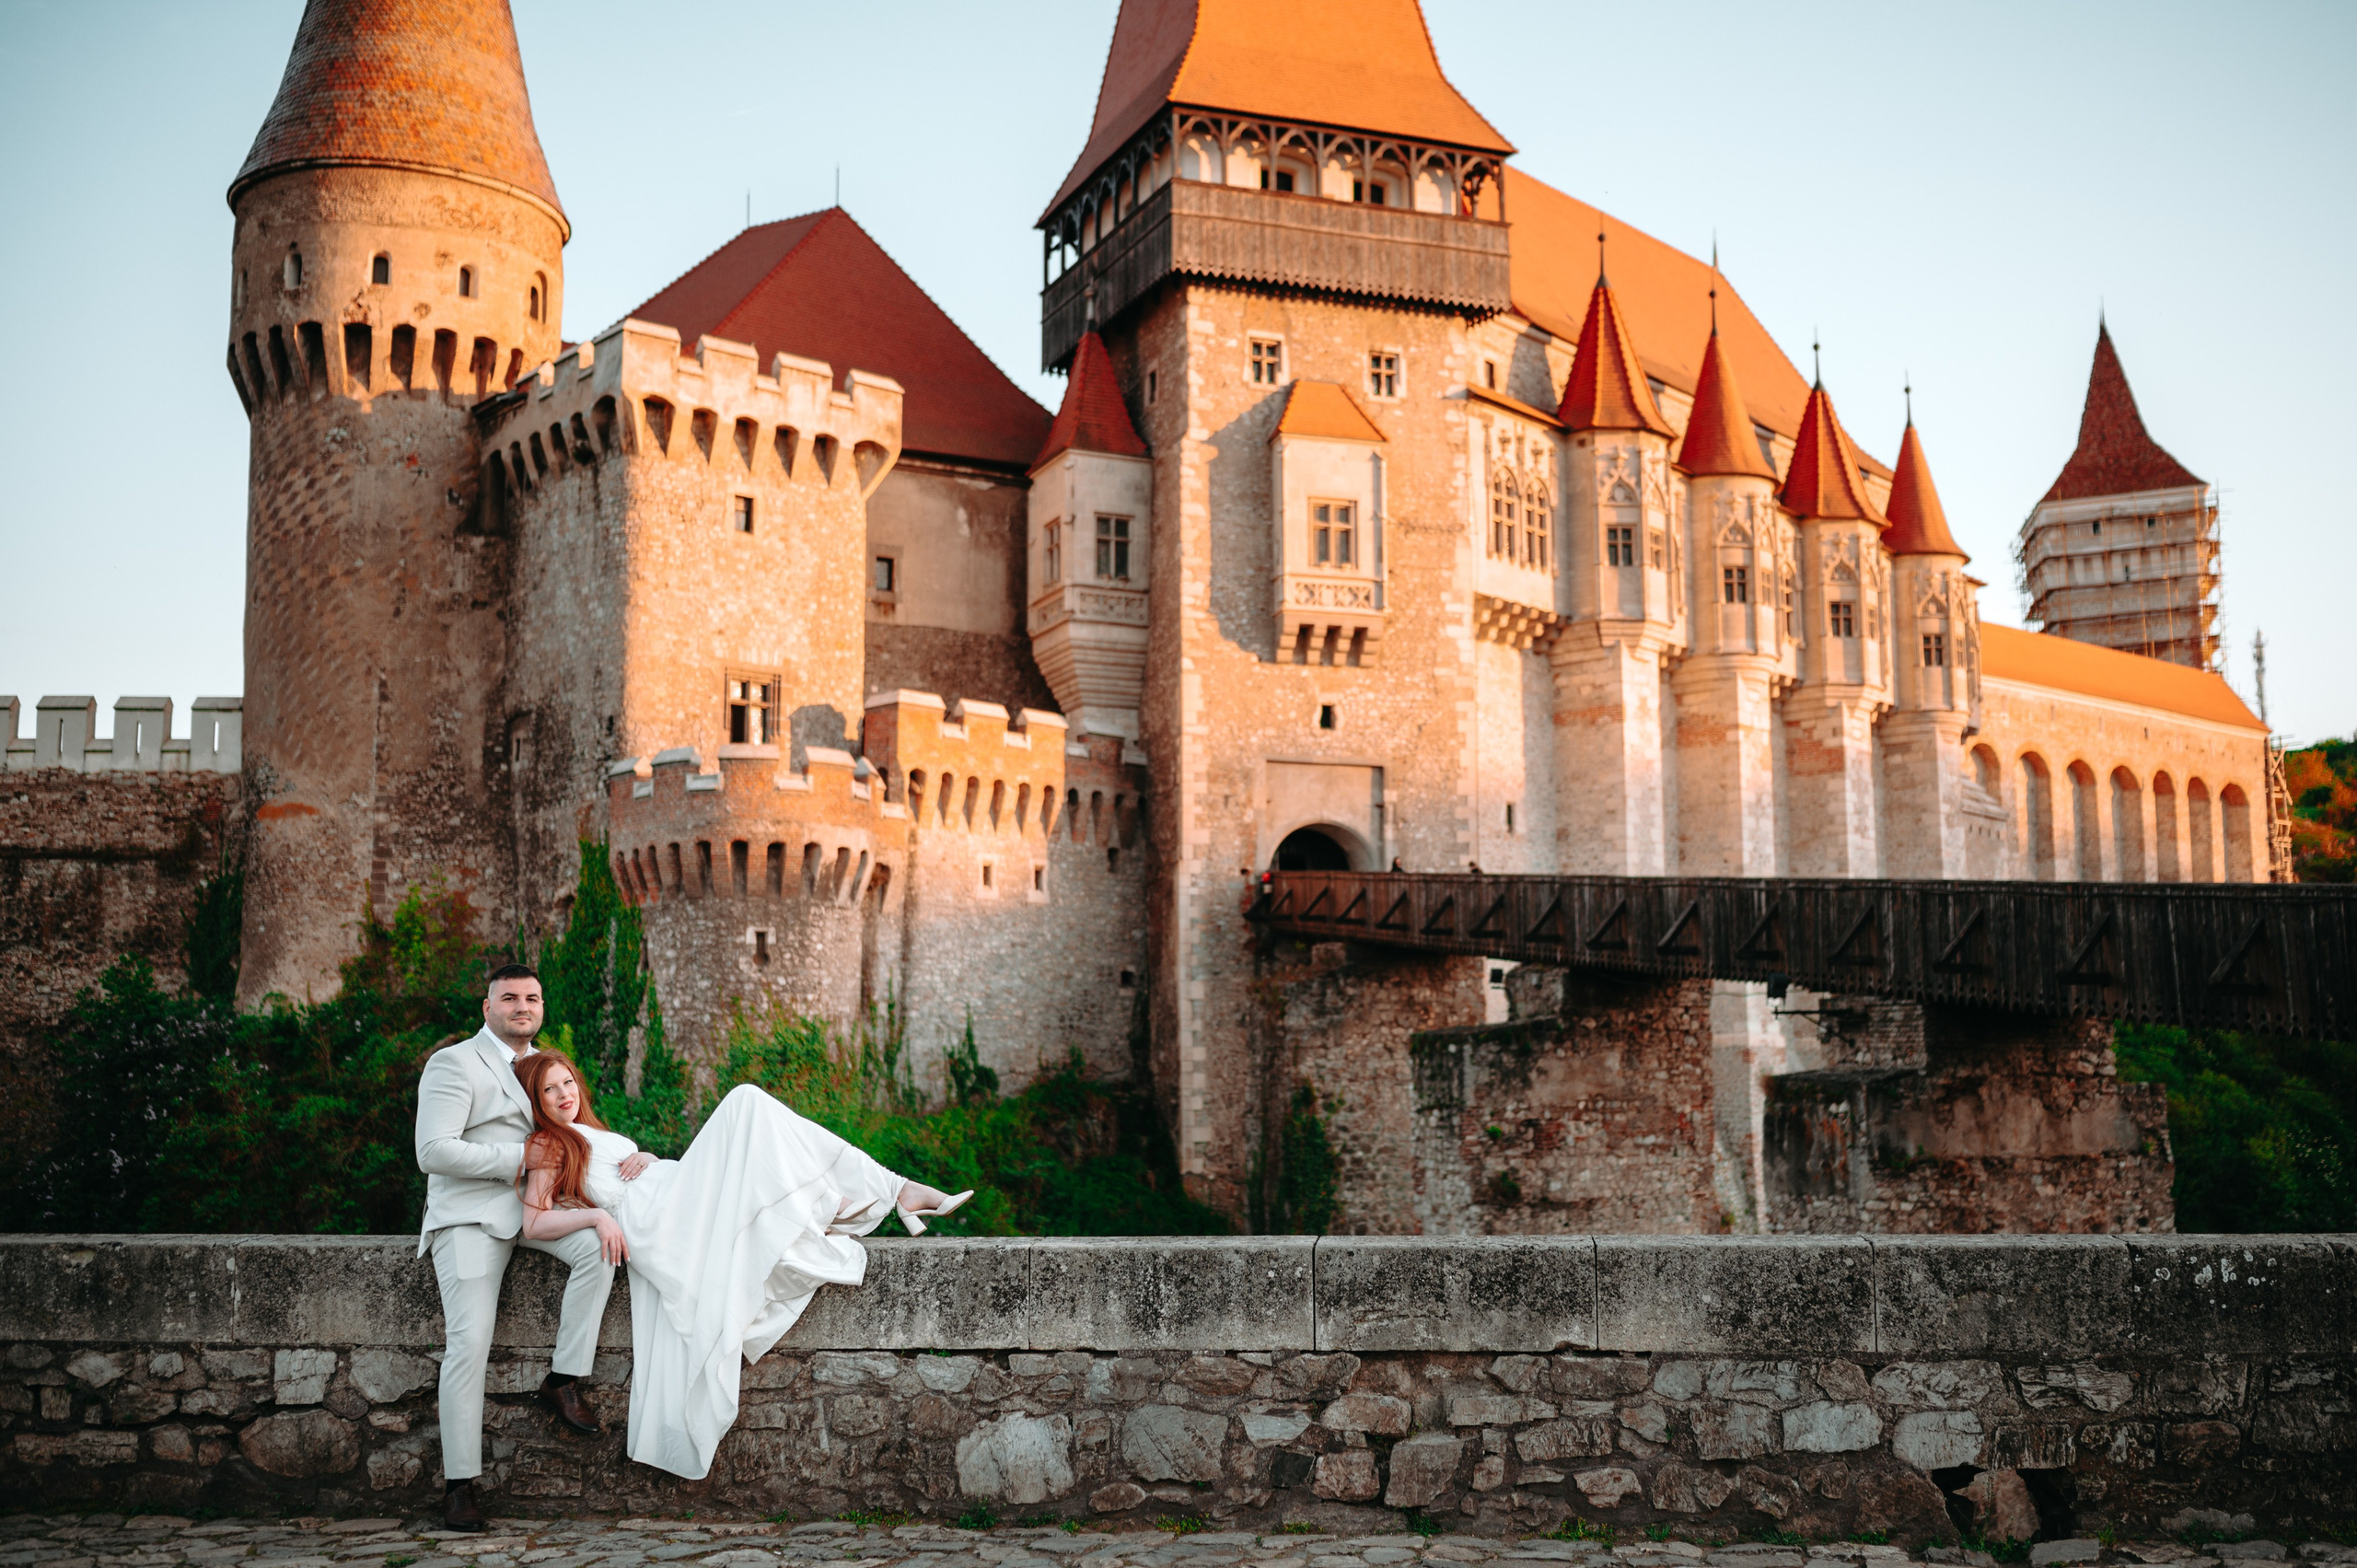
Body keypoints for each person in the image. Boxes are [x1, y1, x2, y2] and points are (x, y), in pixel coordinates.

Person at [512, 1051, 970, 1480]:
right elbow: (533, 1222)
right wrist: (596, 1217)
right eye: (550, 1090)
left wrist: (648, 1159)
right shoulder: (546, 1144)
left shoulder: (588, 1131)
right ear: (536, 1101)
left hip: (671, 1196)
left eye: (567, 1082)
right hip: (657, 1221)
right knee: (746, 1103)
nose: (563, 1094)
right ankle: (885, 1193)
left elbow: (617, 1172)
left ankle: (869, 1196)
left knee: (757, 1137)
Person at [413, 964, 615, 1531]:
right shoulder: (453, 1063)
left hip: (539, 1210)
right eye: (509, 998)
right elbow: (433, 1151)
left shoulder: (538, 1069)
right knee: (470, 1343)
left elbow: (574, 1130)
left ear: (542, 1007)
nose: (521, 1006)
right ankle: (460, 1486)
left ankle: (562, 1379)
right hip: (473, 1218)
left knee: (599, 1250)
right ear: (487, 1007)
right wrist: (516, 1160)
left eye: (532, 997)